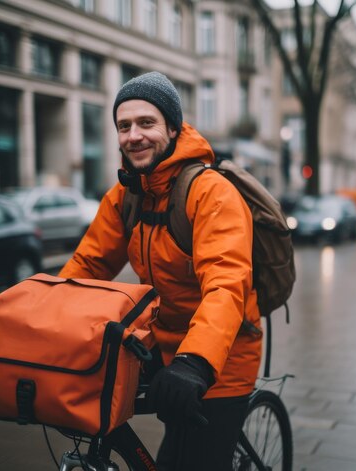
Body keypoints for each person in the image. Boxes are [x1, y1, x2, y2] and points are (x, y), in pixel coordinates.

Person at [58, 71, 262, 470]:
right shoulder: (127, 195)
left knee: (199, 460)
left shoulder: (210, 193)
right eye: (124, 125)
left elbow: (226, 284)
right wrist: (43, 319)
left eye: (146, 123)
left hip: (222, 355)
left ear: (172, 127)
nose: (133, 135)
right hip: (162, 346)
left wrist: (196, 362)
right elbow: (88, 264)